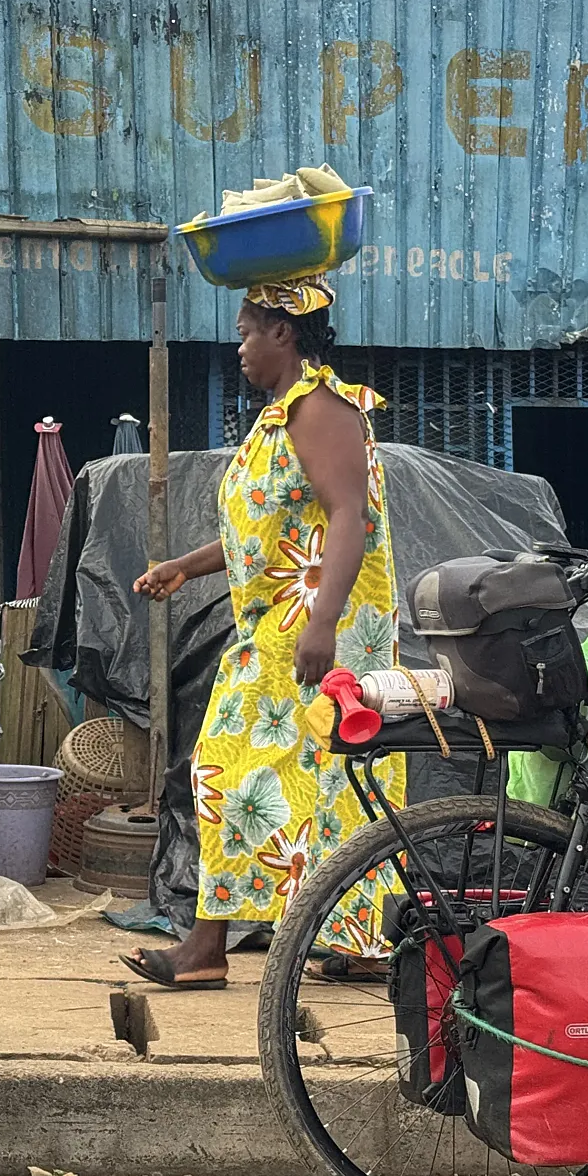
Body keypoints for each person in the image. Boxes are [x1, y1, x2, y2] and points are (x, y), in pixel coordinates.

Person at [121, 275, 404, 988]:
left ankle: (215, 945)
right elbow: (263, 529)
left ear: (284, 333)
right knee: (289, 779)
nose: (240, 344)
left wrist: (325, 622)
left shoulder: (322, 411)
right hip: (280, 623)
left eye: (249, 330)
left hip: (312, 629)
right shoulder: (279, 418)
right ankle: (236, 943)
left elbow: (349, 516)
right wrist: (186, 566)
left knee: (239, 767)